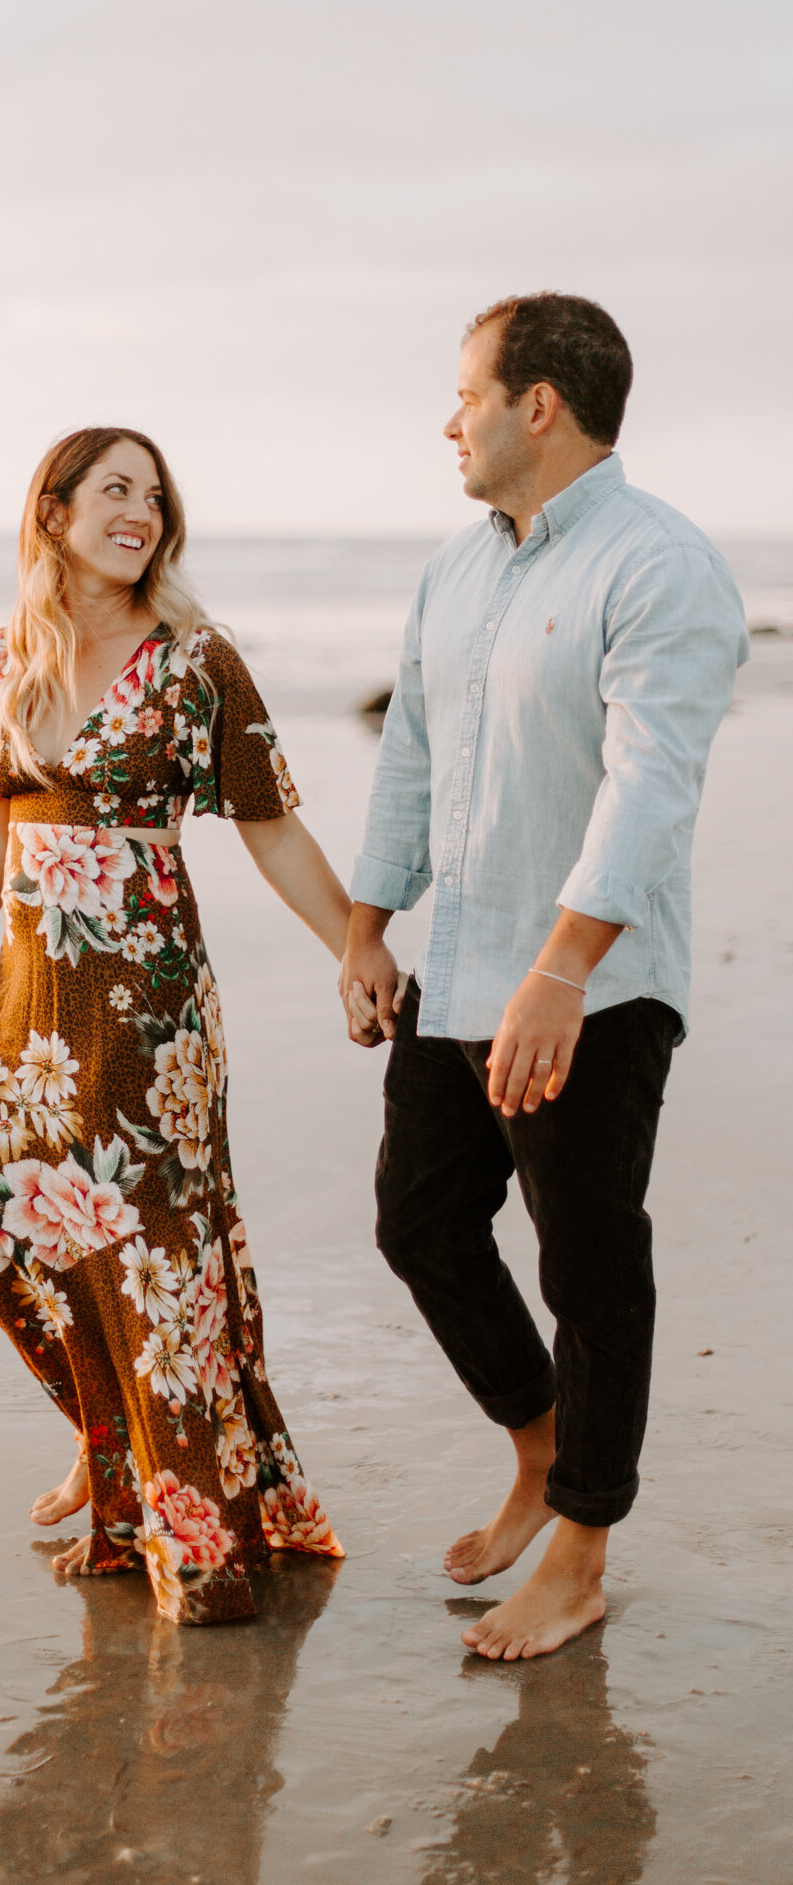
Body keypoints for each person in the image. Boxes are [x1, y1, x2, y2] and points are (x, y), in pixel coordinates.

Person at [341, 293, 749, 1661]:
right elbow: (410, 755)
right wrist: (364, 928)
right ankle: (540, 1443)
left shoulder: (660, 567)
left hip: (592, 988)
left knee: (588, 1264)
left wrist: (562, 968)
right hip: (454, 968)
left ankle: (580, 1548)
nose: (445, 418)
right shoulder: (454, 570)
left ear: (538, 404)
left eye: (464, 391)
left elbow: (652, 789)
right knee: (420, 1225)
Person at [0, 426, 349, 1625]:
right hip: (26, 1003)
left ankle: (197, 1540)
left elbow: (267, 824)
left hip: (150, 1013)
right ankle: (112, 1443)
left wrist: (355, 942)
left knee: (157, 1271)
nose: (140, 513)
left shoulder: (196, 660)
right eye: (115, 491)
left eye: (154, 497)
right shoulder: (4, 658)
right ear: (52, 512)